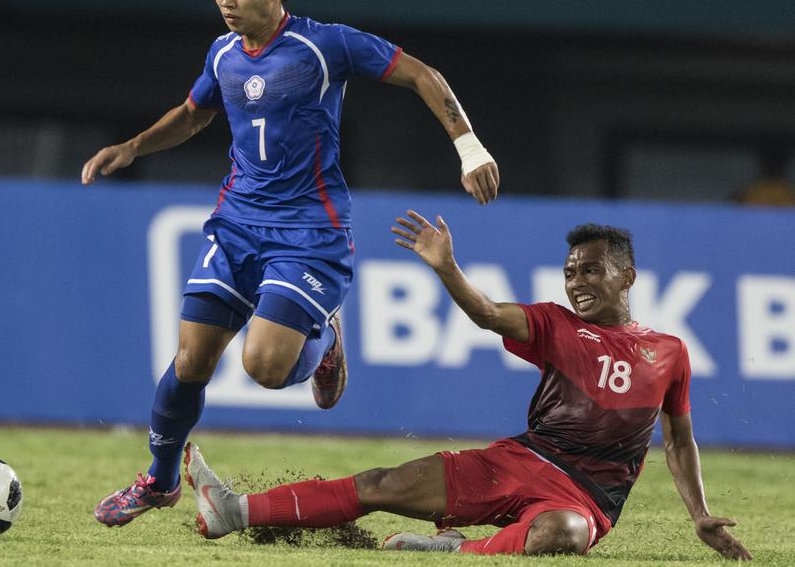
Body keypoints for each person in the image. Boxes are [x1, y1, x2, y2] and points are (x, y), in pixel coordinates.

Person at [81, 0, 500, 527]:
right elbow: (194, 114)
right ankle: (159, 481)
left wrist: (469, 147)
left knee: (265, 368)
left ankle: (324, 341)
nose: (227, 0)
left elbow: (421, 74)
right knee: (190, 363)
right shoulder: (224, 52)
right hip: (236, 225)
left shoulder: (324, 46)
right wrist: (133, 147)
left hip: (309, 234)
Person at [184, 213, 752, 560]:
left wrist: (699, 514)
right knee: (381, 483)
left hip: (585, 499)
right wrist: (446, 268)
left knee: (563, 535)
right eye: (570, 272)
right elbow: (486, 313)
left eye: (590, 271)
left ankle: (459, 548)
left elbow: (679, 441)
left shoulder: (670, 352)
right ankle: (233, 510)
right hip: (520, 461)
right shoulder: (554, 323)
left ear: (626, 276)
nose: (576, 282)